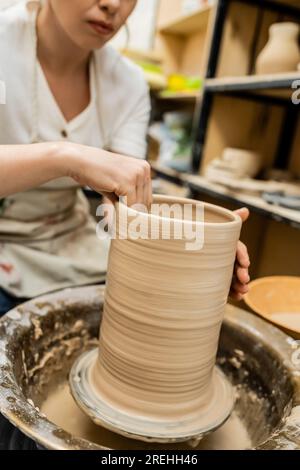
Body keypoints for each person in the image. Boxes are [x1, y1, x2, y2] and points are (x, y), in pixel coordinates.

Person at [0, 0, 249, 316]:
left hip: (63, 243)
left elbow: (125, 204)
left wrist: (195, 249)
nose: (112, 4)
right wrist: (66, 157)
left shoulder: (128, 84)